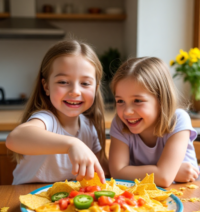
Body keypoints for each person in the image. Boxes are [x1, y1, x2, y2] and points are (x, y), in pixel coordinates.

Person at [6, 40, 108, 185]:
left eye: (85, 83)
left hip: (62, 204)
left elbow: (101, 169)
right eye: (63, 82)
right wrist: (72, 144)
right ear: (46, 86)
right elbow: (14, 139)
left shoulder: (90, 126)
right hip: (25, 198)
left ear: (96, 89)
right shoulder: (46, 119)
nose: (75, 92)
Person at [109, 57, 199, 187]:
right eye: (120, 101)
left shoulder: (178, 119)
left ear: (161, 100)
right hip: (144, 199)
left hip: (187, 196)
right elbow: (117, 173)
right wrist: (166, 172)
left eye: (137, 101)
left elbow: (164, 178)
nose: (127, 112)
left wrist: (163, 174)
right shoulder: (119, 124)